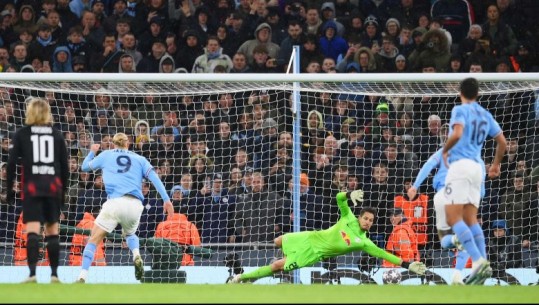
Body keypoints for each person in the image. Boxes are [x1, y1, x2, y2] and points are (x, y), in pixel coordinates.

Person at [227, 191, 427, 283]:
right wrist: (349, 194)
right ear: (359, 217)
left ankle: (241, 277)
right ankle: (256, 262)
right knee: (277, 240)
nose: (367, 222)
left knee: (277, 266)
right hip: (309, 236)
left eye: (371, 220)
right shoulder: (348, 217)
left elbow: (386, 254)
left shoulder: (364, 242)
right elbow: (339, 198)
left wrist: (407, 265)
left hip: (313, 253)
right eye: (365, 218)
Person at [76, 132, 174, 283]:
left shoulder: (106, 155)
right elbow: (154, 177)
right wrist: (167, 200)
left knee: (93, 239)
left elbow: (84, 167)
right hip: (135, 205)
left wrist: (92, 152)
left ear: (113, 144)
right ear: (128, 144)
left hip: (115, 203)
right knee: (129, 234)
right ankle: (136, 255)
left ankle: (82, 275)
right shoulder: (140, 159)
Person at [441, 77, 507, 285]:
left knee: (453, 219)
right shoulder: (485, 114)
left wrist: (445, 149)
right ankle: (484, 261)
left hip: (460, 166)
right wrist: (495, 165)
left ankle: (478, 261)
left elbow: (458, 133)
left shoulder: (460, 110)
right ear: (478, 93)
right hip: (478, 169)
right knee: (471, 220)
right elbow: (502, 141)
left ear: (460, 92)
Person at [6, 98, 69, 283]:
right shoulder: (56, 134)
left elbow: (11, 164)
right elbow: (65, 167)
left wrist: (9, 189)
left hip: (32, 187)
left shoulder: (22, 134)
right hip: (52, 188)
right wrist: (63, 191)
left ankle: (32, 274)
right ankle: (55, 275)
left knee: (32, 230)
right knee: (52, 231)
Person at [408, 123, 478, 285]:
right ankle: (457, 272)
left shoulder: (443, 152)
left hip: (442, 196)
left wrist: (415, 186)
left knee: (446, 240)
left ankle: (457, 274)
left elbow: (428, 166)